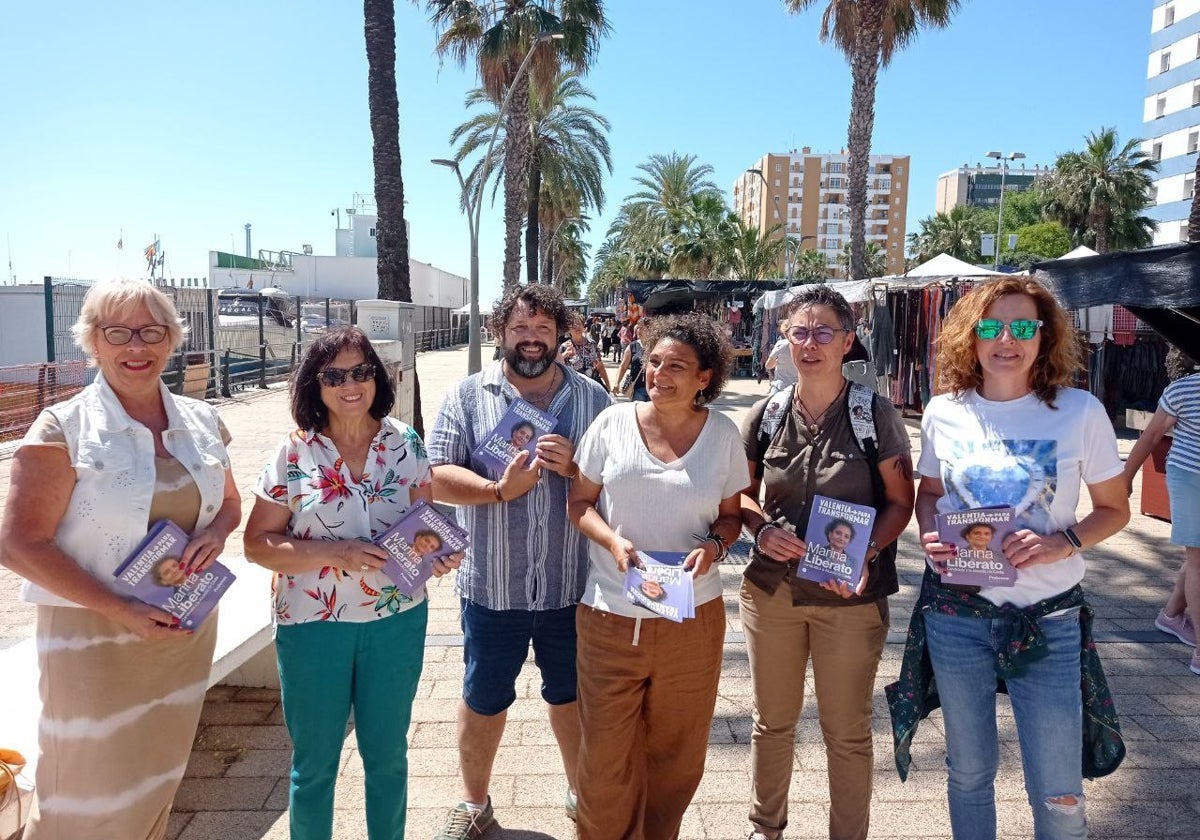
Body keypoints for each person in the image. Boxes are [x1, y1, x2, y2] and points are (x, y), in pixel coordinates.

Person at [0, 279, 241, 840]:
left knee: (156, 780)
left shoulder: (202, 422)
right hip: (91, 640)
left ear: (172, 340)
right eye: (119, 332)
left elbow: (228, 502)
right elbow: (18, 543)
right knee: (83, 798)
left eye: (152, 331)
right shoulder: (62, 428)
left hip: (181, 629)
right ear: (94, 342)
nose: (137, 345)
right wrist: (120, 610)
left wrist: (219, 535)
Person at [893, 276, 1130, 840]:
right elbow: (929, 496)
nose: (1007, 340)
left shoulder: (1079, 411)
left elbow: (1114, 510)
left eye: (1022, 327)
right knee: (969, 771)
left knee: (1058, 784)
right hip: (956, 618)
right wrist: (929, 538)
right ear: (969, 338)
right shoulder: (944, 412)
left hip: (1046, 619)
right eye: (992, 327)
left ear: (1043, 337)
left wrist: (1062, 543)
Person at [243, 326, 457, 840]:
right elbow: (257, 545)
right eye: (334, 375)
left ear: (376, 377)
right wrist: (332, 552)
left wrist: (437, 554)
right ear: (314, 385)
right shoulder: (293, 453)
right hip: (314, 626)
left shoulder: (404, 443)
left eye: (360, 371)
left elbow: (424, 523)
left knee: (388, 757)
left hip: (396, 621)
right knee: (314, 766)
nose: (350, 384)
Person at [426, 283, 611, 839]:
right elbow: (435, 473)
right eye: (520, 330)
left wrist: (576, 466)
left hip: (571, 585)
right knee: (483, 697)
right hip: (493, 584)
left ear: (560, 336)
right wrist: (497, 491)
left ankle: (583, 797)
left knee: (572, 697)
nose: (531, 341)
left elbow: (617, 481)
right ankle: (473, 804)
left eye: (543, 331)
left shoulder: (593, 401)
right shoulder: (466, 396)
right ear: (500, 334)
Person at [738, 286, 915, 840]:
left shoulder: (872, 415)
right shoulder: (764, 414)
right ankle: (766, 828)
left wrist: (867, 549)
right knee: (773, 724)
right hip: (773, 595)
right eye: (799, 332)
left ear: (848, 341)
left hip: (850, 599)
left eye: (823, 333)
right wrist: (761, 529)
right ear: (784, 340)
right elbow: (739, 498)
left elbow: (901, 501)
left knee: (847, 731)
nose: (809, 344)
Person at [568, 312, 749, 839]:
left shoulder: (721, 436)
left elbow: (731, 515)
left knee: (677, 755)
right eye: (653, 361)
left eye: (677, 366)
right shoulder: (611, 425)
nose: (660, 374)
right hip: (609, 615)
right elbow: (579, 503)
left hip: (692, 619)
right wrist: (612, 541)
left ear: (704, 378)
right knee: (603, 759)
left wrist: (715, 547)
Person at [1122, 366, 1200, 671]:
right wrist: (1126, 477)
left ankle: (1171, 615)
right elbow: (1151, 435)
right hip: (1189, 477)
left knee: (1197, 557)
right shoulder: (1184, 389)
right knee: (1197, 558)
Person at [558, 311, 611, 391]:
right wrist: (565, 355)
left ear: (583, 326)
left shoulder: (592, 344)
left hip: (594, 386)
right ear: (568, 329)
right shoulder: (564, 347)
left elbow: (600, 366)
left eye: (579, 323)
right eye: (573, 325)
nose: (577, 327)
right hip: (575, 388)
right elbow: (556, 368)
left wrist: (608, 385)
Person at [613, 322, 648, 402]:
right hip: (638, 388)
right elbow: (623, 366)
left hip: (654, 387)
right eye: (638, 328)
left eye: (643, 328)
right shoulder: (633, 346)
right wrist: (617, 382)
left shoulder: (656, 346)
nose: (639, 330)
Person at [764, 320, 798, 394]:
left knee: (768, 404)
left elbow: (768, 365)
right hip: (798, 387)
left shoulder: (781, 344)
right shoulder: (803, 345)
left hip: (780, 386)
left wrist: (775, 363)